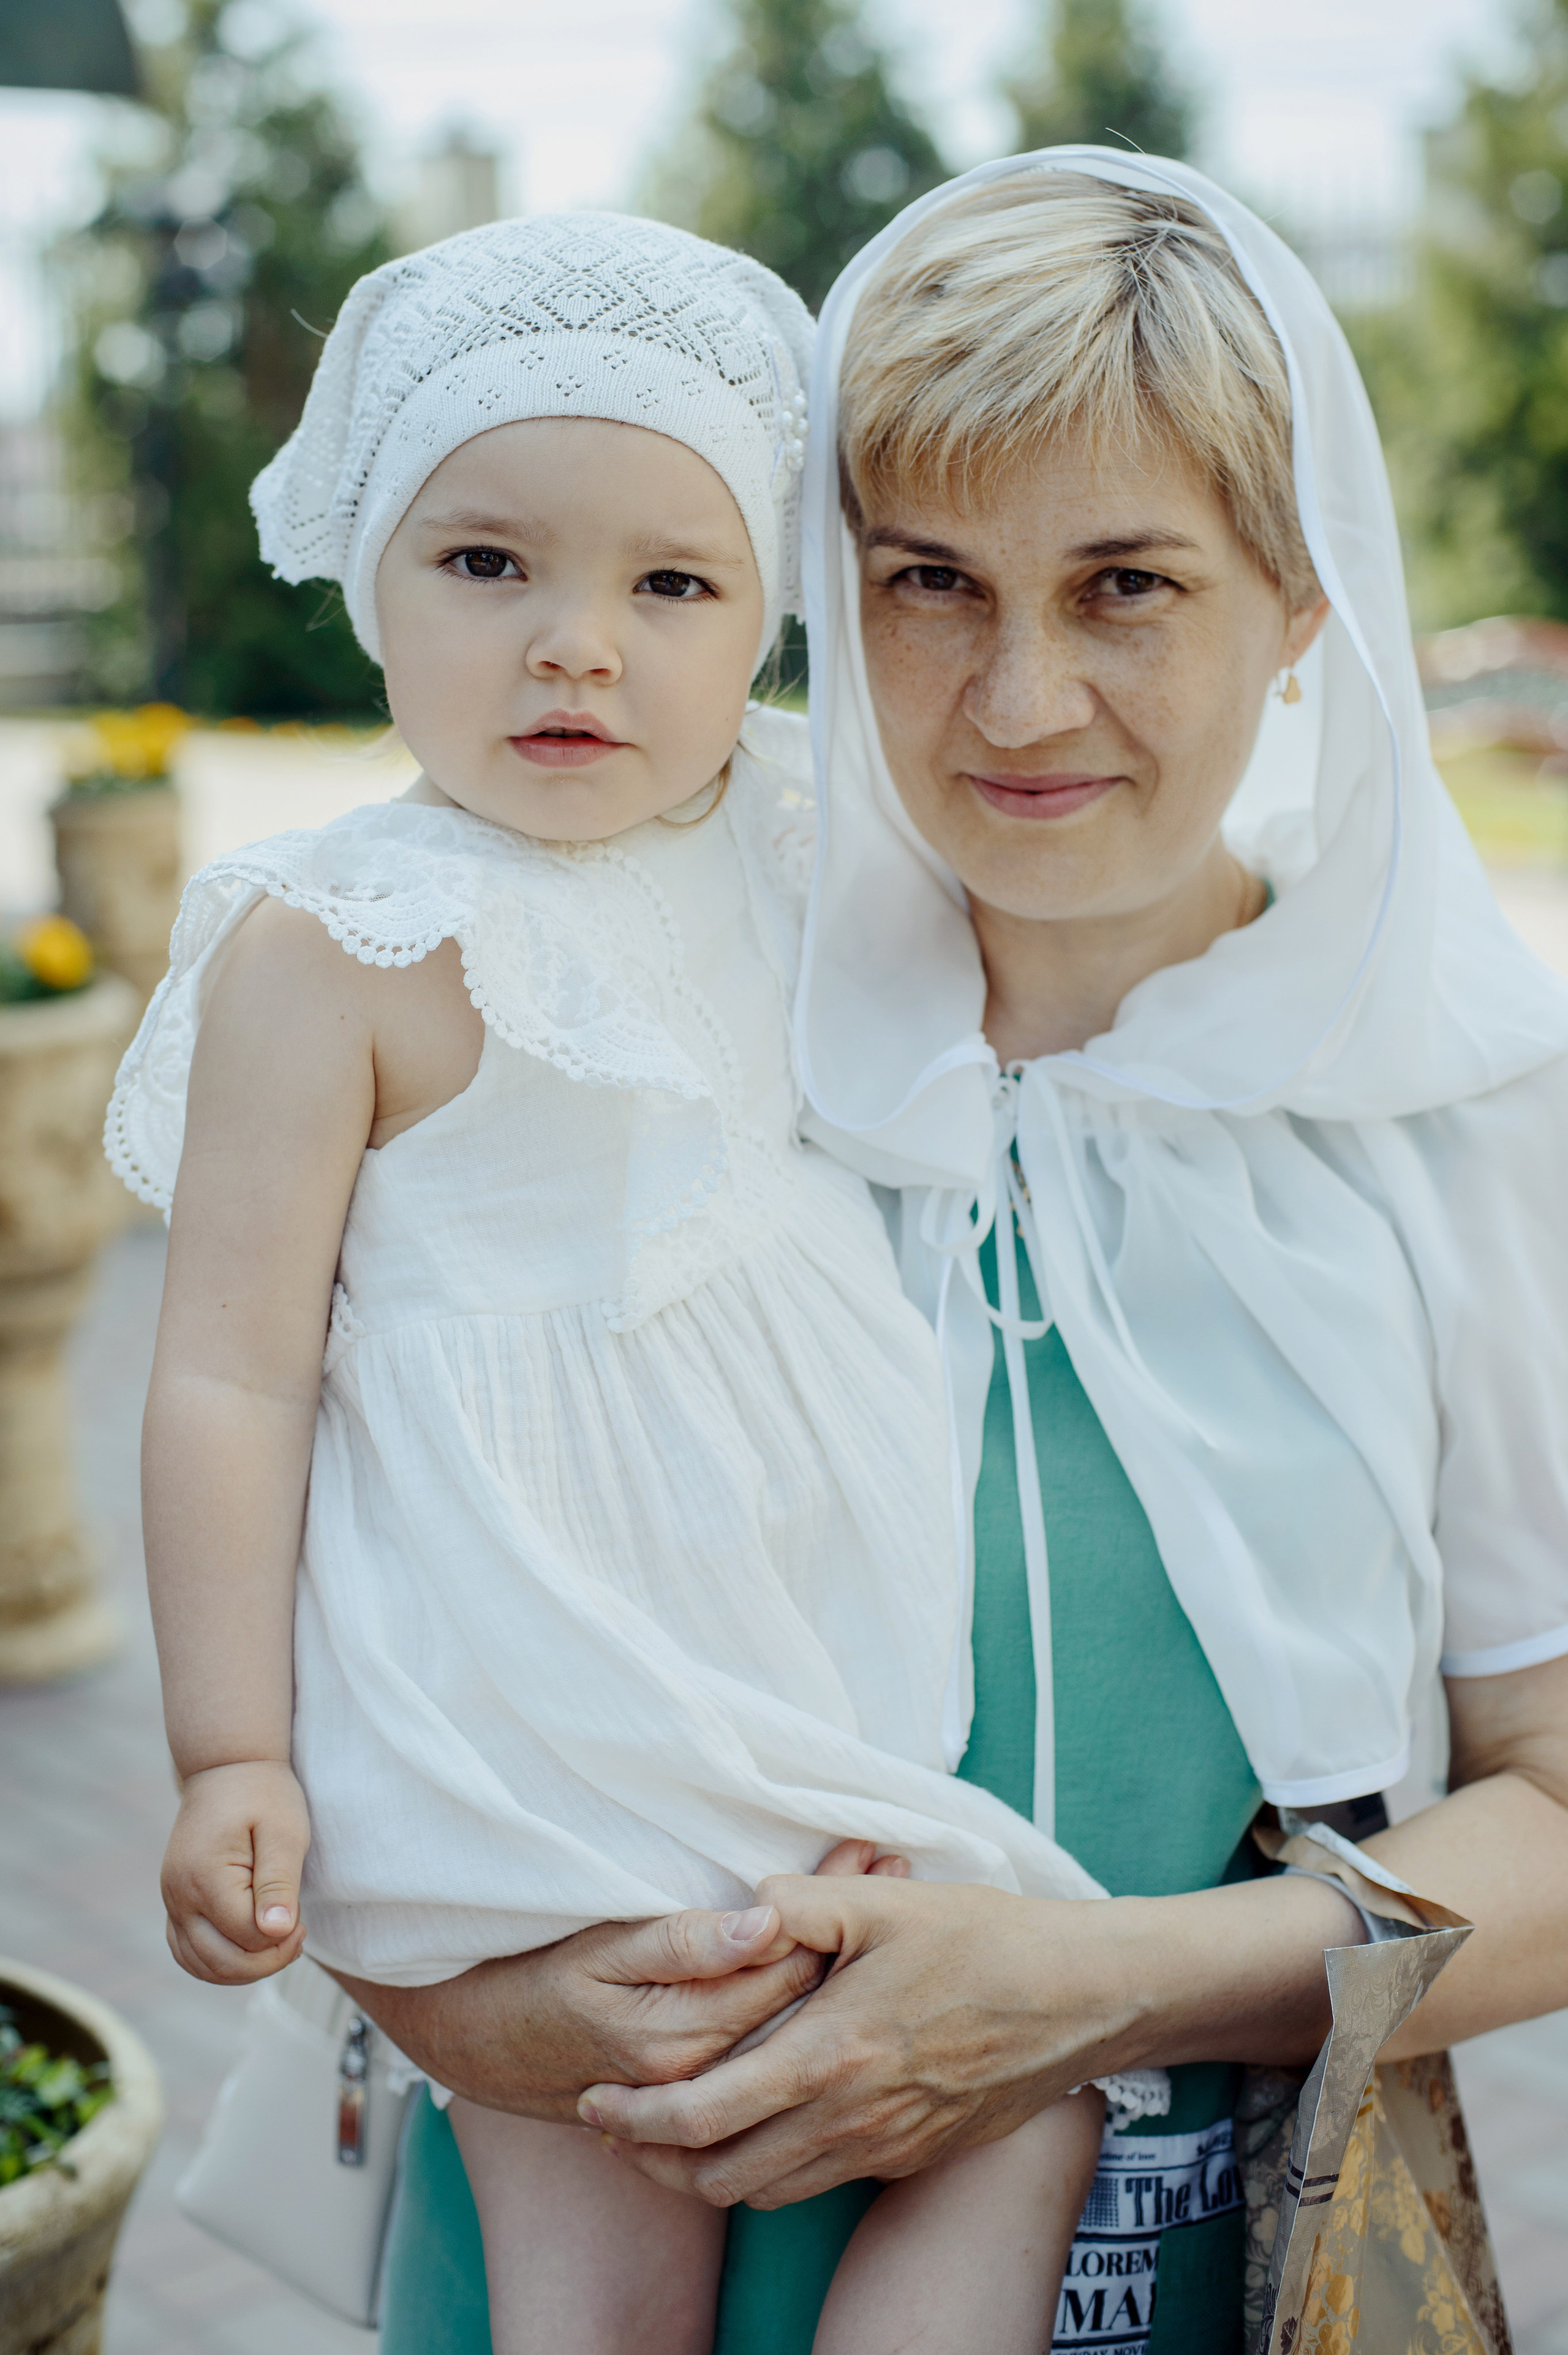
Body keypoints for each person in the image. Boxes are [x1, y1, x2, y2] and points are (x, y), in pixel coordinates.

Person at [345, 158, 1568, 2355]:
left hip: (1198, 2252)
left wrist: (1092, 1985)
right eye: (929, 582)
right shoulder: (619, 1019)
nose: (1017, 702)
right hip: (612, 2238)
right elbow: (356, 1622)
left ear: (1304, 607)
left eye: (1126, 587)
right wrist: (486, 2004)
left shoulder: (1462, 1114)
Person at [111, 209, 1153, 2355]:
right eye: (488, 563)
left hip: (814, 1706)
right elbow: (229, 1371)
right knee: (600, 2264)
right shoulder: (343, 943)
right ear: (370, 577)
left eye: (670, 583)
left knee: (1026, 2111)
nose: (576, 646)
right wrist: (234, 1751)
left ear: (773, 624)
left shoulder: (790, 842)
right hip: (538, 1739)